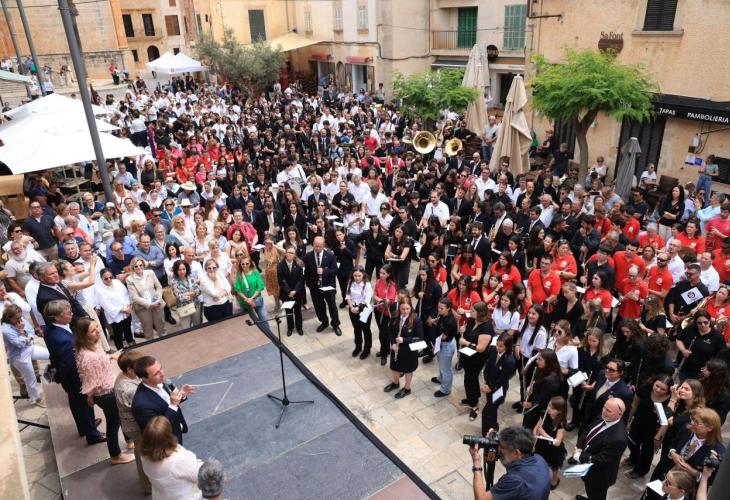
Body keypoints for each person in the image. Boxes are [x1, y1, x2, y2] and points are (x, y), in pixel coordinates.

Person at [43, 300, 106, 444]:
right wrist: (61, 377)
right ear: (57, 317)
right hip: (75, 378)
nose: (72, 314)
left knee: (76, 403)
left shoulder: (50, 331)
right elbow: (68, 364)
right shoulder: (63, 340)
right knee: (83, 404)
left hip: (69, 378)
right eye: (68, 313)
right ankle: (92, 434)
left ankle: (85, 426)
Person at [74, 317, 135, 465]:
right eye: (93, 330)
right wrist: (90, 396)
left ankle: (129, 439)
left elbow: (99, 361)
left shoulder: (94, 344)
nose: (97, 331)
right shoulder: (88, 356)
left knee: (120, 416)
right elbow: (92, 380)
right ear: (84, 335)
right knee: (113, 424)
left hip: (109, 389)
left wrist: (110, 357)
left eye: (97, 327)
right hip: (106, 394)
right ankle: (115, 455)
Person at [468, 425, 551, 500]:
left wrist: (476, 462)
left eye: (501, 447)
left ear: (516, 453)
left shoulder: (515, 481)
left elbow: (481, 498)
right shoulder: (539, 459)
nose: (498, 449)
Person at [572, 397, 629, 500]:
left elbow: (602, 459)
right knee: (589, 489)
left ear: (619, 415)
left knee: (596, 494)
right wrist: (579, 446)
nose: (604, 411)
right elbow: (587, 431)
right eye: (604, 407)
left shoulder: (618, 438)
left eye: (608, 411)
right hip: (588, 466)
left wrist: (580, 457)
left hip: (598, 475)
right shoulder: (605, 416)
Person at [132, 355, 193, 445]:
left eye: (161, 368)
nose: (162, 374)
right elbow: (157, 431)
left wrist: (181, 395)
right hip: (165, 444)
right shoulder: (141, 405)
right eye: (156, 373)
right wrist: (173, 405)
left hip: (176, 432)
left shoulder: (159, 382)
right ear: (144, 378)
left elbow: (165, 403)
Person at [113, 350, 151, 494]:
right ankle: (147, 486)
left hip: (132, 424)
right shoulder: (127, 389)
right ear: (129, 369)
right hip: (136, 426)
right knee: (144, 455)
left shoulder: (125, 375)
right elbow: (143, 406)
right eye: (139, 366)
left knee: (141, 451)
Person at [139, 416, 203, 500]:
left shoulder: (144, 456)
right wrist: (200, 464)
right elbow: (201, 476)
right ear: (168, 436)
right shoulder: (179, 459)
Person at [2, 304, 48, 407]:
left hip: (28, 348)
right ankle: (36, 398)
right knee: (30, 378)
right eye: (16, 318)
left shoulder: (20, 318)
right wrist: (22, 331)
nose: (20, 320)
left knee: (51, 355)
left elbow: (31, 330)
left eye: (20, 317)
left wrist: (29, 337)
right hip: (19, 356)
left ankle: (53, 375)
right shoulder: (5, 330)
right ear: (9, 318)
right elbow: (19, 344)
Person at [580, 359, 634, 436]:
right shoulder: (602, 374)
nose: (607, 370)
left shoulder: (625, 393)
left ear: (621, 373)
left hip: (601, 425)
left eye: (611, 370)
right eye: (606, 367)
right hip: (587, 417)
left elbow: (623, 417)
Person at [383, 297, 423, 399]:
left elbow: (420, 338)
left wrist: (404, 340)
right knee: (394, 368)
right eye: (402, 309)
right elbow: (390, 331)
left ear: (411, 308)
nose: (405, 311)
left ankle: (407, 388)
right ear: (399, 308)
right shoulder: (395, 315)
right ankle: (396, 383)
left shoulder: (416, 320)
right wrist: (392, 344)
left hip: (409, 351)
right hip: (396, 349)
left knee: (408, 370)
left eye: (407, 309)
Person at [459, 302, 493, 421]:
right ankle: (474, 396)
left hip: (476, 359)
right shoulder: (472, 320)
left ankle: (474, 405)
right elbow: (467, 334)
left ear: (480, 313)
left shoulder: (487, 327)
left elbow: (480, 348)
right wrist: (463, 330)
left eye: (473, 310)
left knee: (469, 380)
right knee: (472, 379)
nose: (470, 312)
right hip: (467, 356)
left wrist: (465, 343)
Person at [304, 236, 341, 336]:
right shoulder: (308, 256)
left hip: (328, 285)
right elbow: (306, 272)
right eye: (316, 246)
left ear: (324, 245)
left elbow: (335, 270)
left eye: (320, 246)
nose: (317, 248)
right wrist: (308, 284)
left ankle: (335, 324)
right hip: (315, 287)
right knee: (319, 306)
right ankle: (324, 322)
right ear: (313, 245)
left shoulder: (330, 255)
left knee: (332, 306)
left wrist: (324, 271)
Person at [480, 332, 517, 434]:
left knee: (487, 411)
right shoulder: (493, 351)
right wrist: (486, 383)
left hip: (498, 389)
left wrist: (491, 387)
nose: (497, 347)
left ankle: (486, 432)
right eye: (497, 344)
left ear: (507, 347)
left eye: (500, 346)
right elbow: (488, 366)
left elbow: (503, 379)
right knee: (492, 409)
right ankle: (494, 427)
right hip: (489, 384)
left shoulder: (510, 361)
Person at [126, 257, 167, 339]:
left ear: (144, 265)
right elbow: (134, 297)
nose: (139, 267)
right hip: (143, 308)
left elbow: (159, 287)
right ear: (133, 268)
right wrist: (150, 304)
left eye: (141, 265)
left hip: (157, 304)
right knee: (148, 331)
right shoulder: (129, 279)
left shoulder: (150, 273)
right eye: (136, 266)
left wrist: (158, 299)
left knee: (162, 328)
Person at [532, 396, 567, 490]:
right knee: (539, 461)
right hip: (541, 444)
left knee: (554, 466)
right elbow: (537, 427)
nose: (548, 408)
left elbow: (557, 442)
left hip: (553, 449)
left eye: (552, 408)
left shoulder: (561, 423)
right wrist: (535, 434)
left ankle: (554, 480)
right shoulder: (544, 414)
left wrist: (544, 433)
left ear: (559, 411)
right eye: (549, 405)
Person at [95, 268, 134, 349]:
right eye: (106, 279)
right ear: (101, 278)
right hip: (116, 316)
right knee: (118, 334)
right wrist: (124, 310)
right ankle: (121, 351)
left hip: (127, 311)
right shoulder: (99, 290)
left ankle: (132, 345)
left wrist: (129, 306)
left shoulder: (117, 282)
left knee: (128, 329)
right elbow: (107, 306)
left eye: (110, 277)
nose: (109, 280)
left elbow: (126, 294)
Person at [429, 297, 458, 397]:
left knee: (446, 369)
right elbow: (440, 321)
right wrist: (435, 320)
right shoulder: (443, 315)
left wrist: (435, 345)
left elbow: (443, 337)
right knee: (441, 364)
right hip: (442, 343)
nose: (439, 310)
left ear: (448, 308)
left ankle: (446, 390)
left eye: (442, 308)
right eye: (438, 307)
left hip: (446, 345)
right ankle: (440, 379)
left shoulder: (450, 321)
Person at [233, 256, 270, 333]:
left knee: (264, 318)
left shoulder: (255, 272)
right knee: (251, 320)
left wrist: (252, 298)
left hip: (256, 300)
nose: (245, 265)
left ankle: (268, 334)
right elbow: (238, 289)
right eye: (243, 264)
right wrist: (247, 299)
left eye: (247, 263)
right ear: (240, 265)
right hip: (245, 302)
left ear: (250, 263)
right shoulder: (239, 275)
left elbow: (260, 287)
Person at [345, 266, 373, 359]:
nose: (357, 278)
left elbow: (367, 300)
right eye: (355, 275)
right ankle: (358, 347)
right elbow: (348, 296)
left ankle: (367, 349)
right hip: (353, 308)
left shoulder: (367, 285)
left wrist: (358, 308)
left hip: (364, 309)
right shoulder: (350, 282)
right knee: (356, 329)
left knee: (366, 330)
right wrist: (351, 307)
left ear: (363, 275)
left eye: (359, 276)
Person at [373, 265, 398, 366]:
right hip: (378, 310)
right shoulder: (378, 281)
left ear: (389, 274)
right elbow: (374, 294)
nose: (381, 275)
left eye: (383, 273)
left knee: (383, 334)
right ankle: (385, 349)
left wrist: (385, 301)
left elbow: (390, 301)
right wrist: (380, 300)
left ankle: (384, 354)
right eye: (380, 273)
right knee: (382, 331)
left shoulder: (392, 285)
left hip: (387, 313)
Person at [277, 245, 305, 336]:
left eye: (292, 253)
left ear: (294, 255)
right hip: (286, 293)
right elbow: (281, 280)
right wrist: (289, 291)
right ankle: (290, 328)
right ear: (285, 253)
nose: (290, 254)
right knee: (288, 312)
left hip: (297, 293)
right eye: (289, 252)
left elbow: (301, 279)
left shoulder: (299, 264)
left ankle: (299, 327)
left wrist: (295, 291)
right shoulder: (280, 265)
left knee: (298, 311)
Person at [170, 260, 202, 329]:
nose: (182, 272)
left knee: (197, 327)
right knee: (186, 329)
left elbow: (199, 291)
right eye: (179, 270)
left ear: (187, 269)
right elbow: (180, 298)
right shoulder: (174, 282)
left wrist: (186, 294)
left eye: (183, 269)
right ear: (176, 270)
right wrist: (193, 294)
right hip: (183, 308)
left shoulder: (191, 278)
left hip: (196, 306)